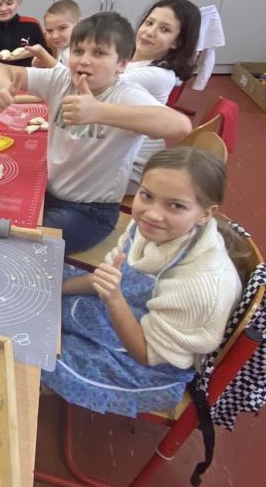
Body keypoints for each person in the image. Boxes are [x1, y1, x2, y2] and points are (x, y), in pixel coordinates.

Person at [47, 148, 241, 416]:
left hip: (146, 363)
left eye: (176, 206)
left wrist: (114, 299)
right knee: (37, 284)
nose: (152, 214)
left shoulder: (200, 286)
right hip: (124, 305)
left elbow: (145, 354)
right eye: (147, 195)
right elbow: (105, 276)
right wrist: (54, 290)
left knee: (38, 355)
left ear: (206, 214)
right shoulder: (150, 227)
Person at [0, 12, 192, 253]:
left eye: (99, 53)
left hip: (90, 212)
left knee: (15, 244)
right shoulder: (61, 79)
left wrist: (99, 112)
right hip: (47, 190)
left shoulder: (126, 94)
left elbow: (180, 126)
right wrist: (3, 89)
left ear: (122, 64)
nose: (84, 61)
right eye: (78, 51)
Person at [123, 0, 200, 183]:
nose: (150, 32)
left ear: (177, 42)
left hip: (132, 168)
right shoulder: (131, 59)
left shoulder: (158, 75)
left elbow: (96, 83)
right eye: (149, 23)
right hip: (119, 154)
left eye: (164, 29)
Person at [30, 0, 81, 68]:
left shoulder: (79, 53)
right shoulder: (65, 46)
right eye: (49, 30)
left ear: (79, 24)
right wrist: (47, 63)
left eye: (62, 28)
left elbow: (67, 74)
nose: (55, 36)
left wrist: (46, 58)